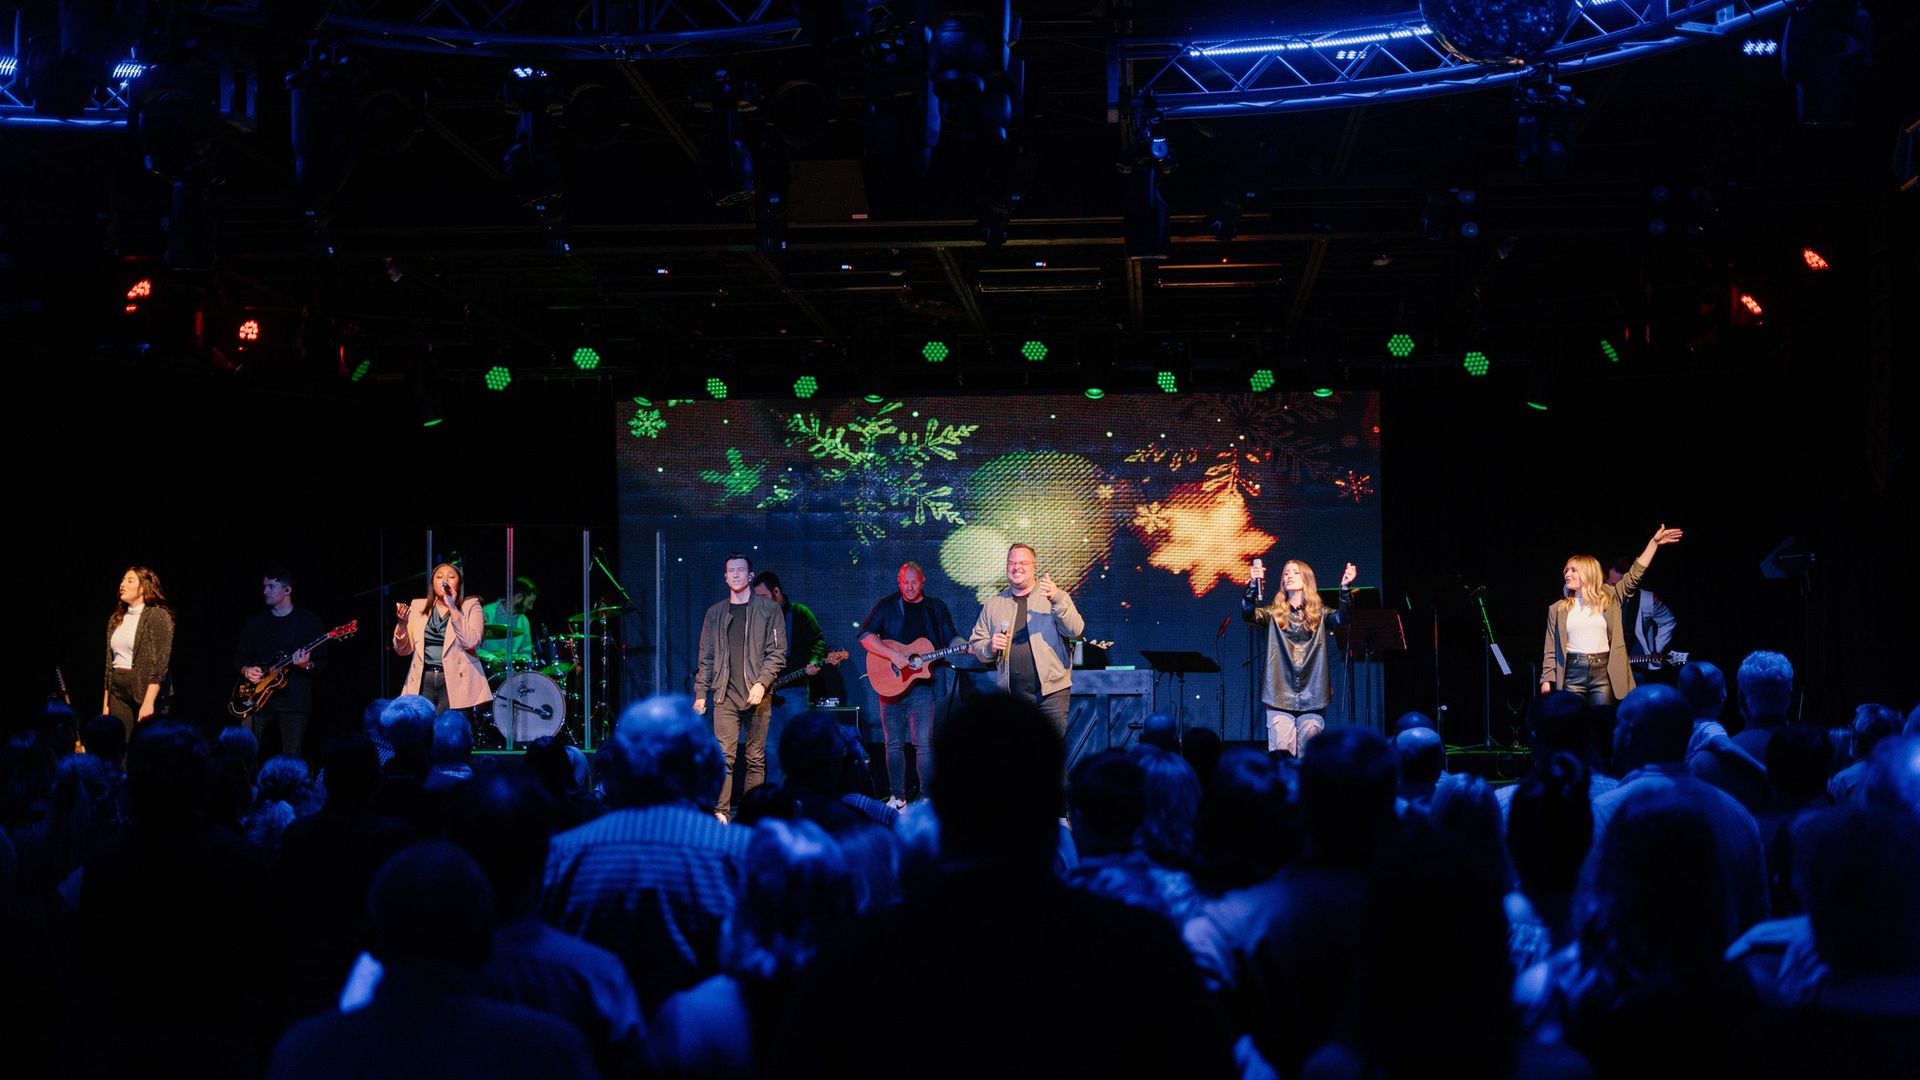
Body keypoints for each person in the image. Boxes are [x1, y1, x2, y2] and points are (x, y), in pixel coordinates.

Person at [1540, 524, 1684, 706]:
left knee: (1602, 723)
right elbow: (1550, 648)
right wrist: (1547, 680)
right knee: (1574, 725)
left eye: (1573, 569)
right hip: (1571, 671)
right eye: (1566, 570)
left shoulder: (1610, 598)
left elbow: (1634, 576)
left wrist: (1653, 544)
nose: (1567, 573)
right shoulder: (1558, 609)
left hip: (1603, 672)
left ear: (1588, 572)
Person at [860, 561, 967, 807]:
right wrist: (893, 655)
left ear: (923, 581)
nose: (909, 587)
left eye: (914, 582)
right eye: (905, 582)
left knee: (923, 743)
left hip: (922, 687)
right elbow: (865, 636)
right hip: (890, 684)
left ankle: (928, 799)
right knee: (893, 743)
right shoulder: (887, 606)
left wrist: (963, 645)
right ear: (898, 582)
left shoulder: (936, 608)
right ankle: (898, 797)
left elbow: (951, 636)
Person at [693, 553, 787, 821]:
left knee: (756, 757)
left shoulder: (769, 610)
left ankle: (751, 815)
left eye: (740, 570)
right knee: (724, 757)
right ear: (725, 576)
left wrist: (762, 682)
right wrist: (701, 693)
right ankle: (721, 812)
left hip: (759, 694)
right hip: (725, 694)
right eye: (730, 570)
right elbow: (706, 657)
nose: (735, 574)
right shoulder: (715, 613)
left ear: (750, 575)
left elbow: (778, 652)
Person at [968, 544, 1086, 739]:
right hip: (1012, 698)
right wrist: (989, 647)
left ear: (1034, 567)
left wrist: (1056, 599)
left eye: (1023, 562)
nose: (1017, 567)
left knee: (1048, 761)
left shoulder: (1055, 597)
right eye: (1012, 563)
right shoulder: (994, 604)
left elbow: (1075, 630)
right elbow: (976, 643)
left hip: (1051, 694)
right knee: (1017, 762)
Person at [1243, 558, 1358, 756]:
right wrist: (1253, 586)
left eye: (1295, 572)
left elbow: (1342, 618)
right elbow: (1249, 613)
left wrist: (1345, 589)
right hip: (1279, 694)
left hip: (1312, 694)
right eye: (1286, 573)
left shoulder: (1320, 613)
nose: (1289, 576)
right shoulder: (1272, 613)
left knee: (1310, 758)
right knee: (1281, 757)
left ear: (1306, 579)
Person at [235, 567, 328, 759]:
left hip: (294, 700)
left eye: (271, 586)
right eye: (264, 587)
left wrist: (306, 665)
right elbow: (239, 657)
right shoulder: (256, 622)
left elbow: (322, 663)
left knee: (291, 754)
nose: (265, 591)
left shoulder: (309, 621)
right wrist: (246, 670)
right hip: (257, 699)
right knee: (245, 752)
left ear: (287, 590)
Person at [753, 570, 828, 785]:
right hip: (766, 693)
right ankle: (775, 795)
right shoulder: (758, 619)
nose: (761, 603)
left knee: (799, 742)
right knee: (771, 746)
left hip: (794, 689)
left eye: (764, 597)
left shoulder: (800, 613)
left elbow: (818, 641)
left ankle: (802, 792)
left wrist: (815, 661)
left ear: (777, 592)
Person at [392, 562, 491, 716]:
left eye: (451, 577)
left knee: (447, 730)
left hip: (456, 679)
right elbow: (403, 650)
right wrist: (402, 625)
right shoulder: (418, 606)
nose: (445, 580)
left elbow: (471, 642)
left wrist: (452, 607)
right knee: (424, 728)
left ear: (458, 584)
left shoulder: (471, 605)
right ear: (432, 583)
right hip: (424, 678)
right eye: (439, 577)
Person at [101, 565, 175, 740]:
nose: (122, 584)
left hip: (146, 689)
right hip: (118, 691)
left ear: (143, 588)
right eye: (122, 580)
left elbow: (160, 664)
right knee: (120, 743)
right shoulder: (116, 619)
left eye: (129, 580)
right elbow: (108, 665)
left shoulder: (158, 616)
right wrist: (106, 705)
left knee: (147, 744)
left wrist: (148, 702)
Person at [1607, 554, 1679, 680]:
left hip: (1636, 670)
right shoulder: (1598, 596)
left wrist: (1656, 648)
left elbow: (1668, 621)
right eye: (1612, 584)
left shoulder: (1646, 599)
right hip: (1605, 669)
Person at [480, 576, 541, 672]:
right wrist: (492, 658)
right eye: (530, 602)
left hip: (514, 672)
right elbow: (472, 648)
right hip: (487, 671)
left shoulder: (524, 620)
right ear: (518, 597)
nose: (531, 607)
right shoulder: (486, 612)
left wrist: (519, 660)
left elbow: (526, 652)